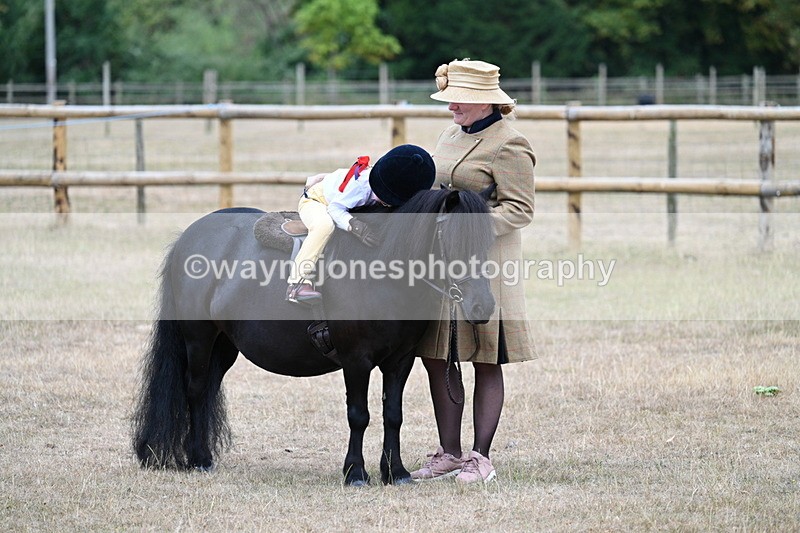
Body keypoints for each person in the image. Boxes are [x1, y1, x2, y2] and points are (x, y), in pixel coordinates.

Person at [411, 59, 536, 484]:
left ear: (485, 101)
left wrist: (465, 225)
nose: (450, 107)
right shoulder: (450, 133)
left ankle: (480, 457)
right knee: (436, 354)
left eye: (458, 100)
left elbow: (520, 210)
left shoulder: (511, 143)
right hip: (441, 264)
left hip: (487, 263)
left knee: (485, 358)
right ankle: (449, 453)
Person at [286, 144, 436, 303]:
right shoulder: (360, 188)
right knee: (324, 226)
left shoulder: (385, 179)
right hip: (318, 201)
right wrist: (355, 226)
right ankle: (297, 282)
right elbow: (335, 209)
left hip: (339, 200)